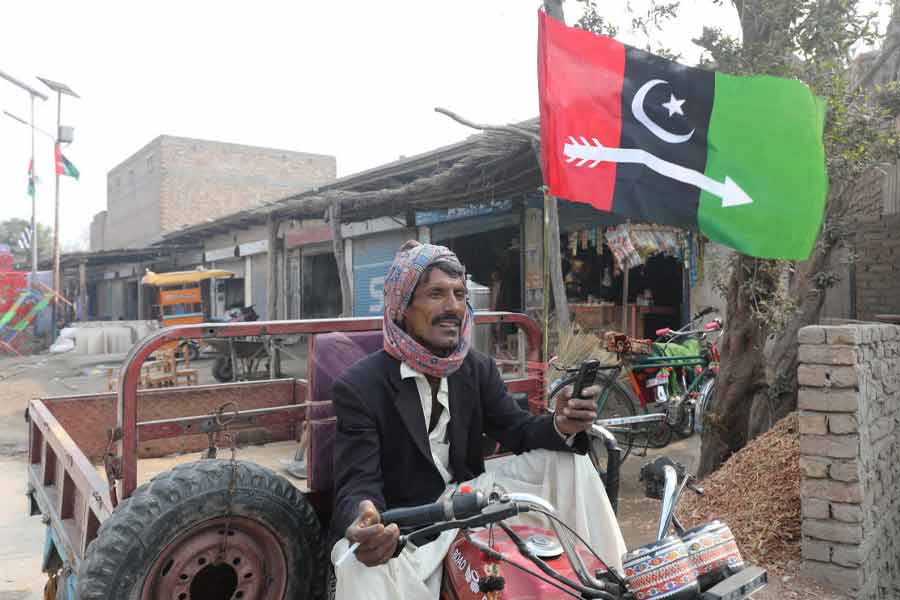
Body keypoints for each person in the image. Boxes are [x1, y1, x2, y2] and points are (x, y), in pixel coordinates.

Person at [330, 240, 626, 600]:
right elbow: (357, 484)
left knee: (567, 461)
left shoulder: (474, 368)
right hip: (407, 522)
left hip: (466, 501)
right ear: (403, 306)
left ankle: (609, 578)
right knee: (357, 564)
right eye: (436, 294)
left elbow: (516, 430)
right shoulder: (360, 386)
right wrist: (366, 519)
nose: (453, 307)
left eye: (459, 293)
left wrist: (560, 424)